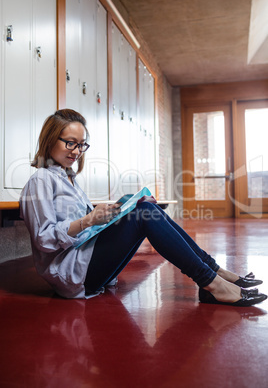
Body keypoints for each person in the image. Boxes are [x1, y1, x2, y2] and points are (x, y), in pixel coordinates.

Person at [20, 109, 267, 306]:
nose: (77, 151)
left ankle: (215, 272)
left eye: (82, 145)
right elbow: (43, 239)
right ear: (51, 139)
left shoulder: (68, 178)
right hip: (72, 272)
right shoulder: (41, 180)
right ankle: (213, 285)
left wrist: (110, 214)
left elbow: (84, 226)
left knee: (146, 206)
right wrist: (89, 220)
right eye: (70, 143)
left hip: (87, 259)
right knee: (144, 215)